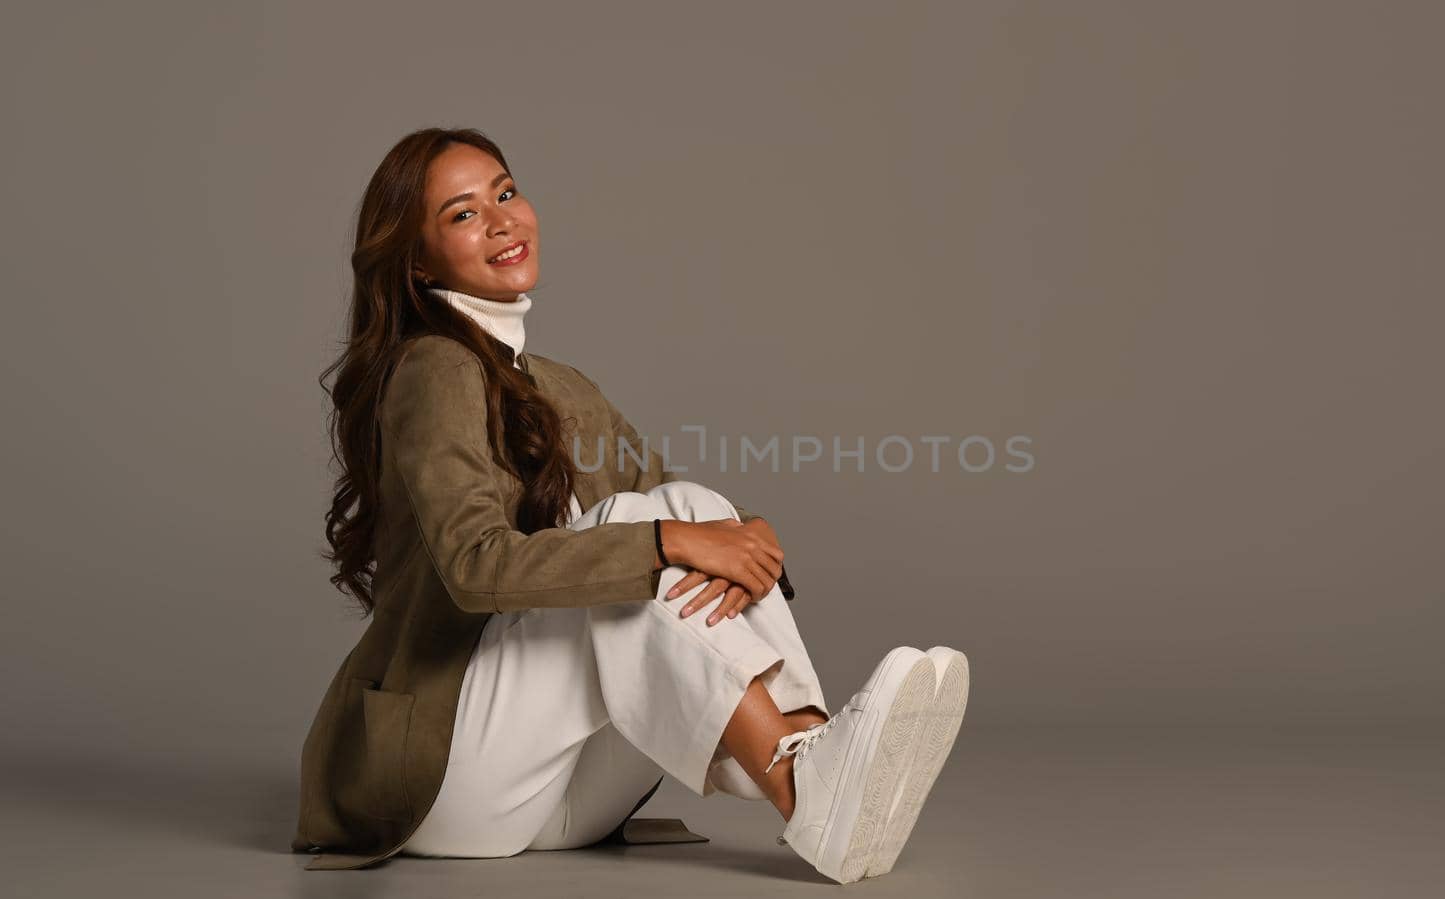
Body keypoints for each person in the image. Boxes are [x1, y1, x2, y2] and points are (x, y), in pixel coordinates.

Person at [292, 127, 969, 884]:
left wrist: (747, 535)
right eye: (462, 213)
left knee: (687, 507)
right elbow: (474, 566)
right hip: (448, 782)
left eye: (506, 193)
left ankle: (814, 755)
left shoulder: (560, 385)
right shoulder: (432, 367)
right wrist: (677, 539)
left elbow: (680, 511)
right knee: (647, 531)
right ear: (417, 262)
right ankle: (805, 780)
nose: (502, 219)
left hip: (559, 791)